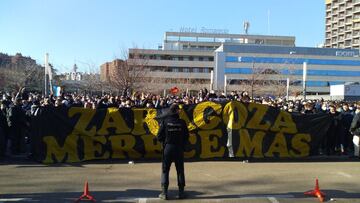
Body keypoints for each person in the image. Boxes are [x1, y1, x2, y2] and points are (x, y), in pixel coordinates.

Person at [157, 103, 189, 200]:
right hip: (179, 148)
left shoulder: (165, 121)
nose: (180, 111)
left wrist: (165, 141)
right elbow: (186, 136)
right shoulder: (182, 122)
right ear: (176, 111)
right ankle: (181, 192)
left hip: (168, 148)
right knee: (180, 170)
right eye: (178, 109)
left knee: (165, 170)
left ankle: (164, 193)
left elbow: (159, 136)